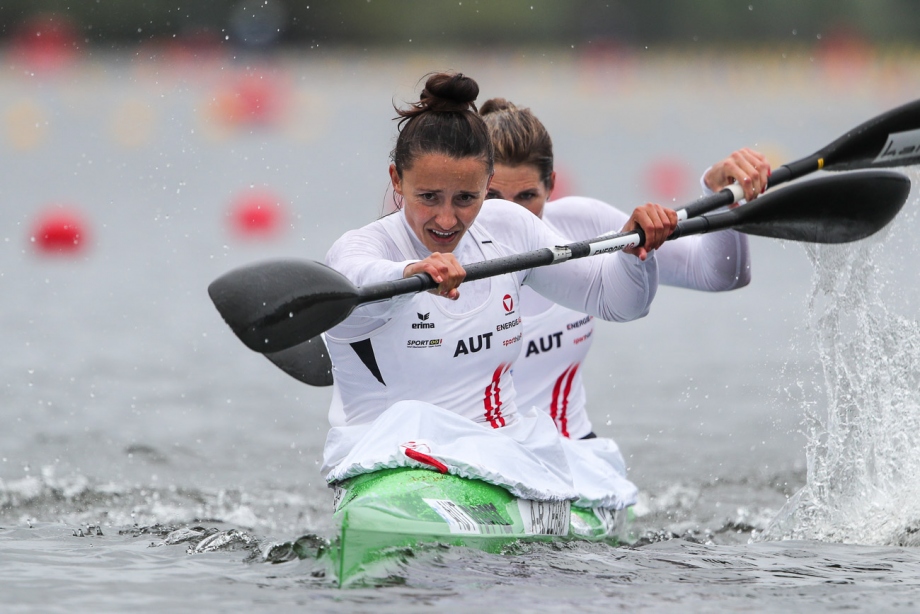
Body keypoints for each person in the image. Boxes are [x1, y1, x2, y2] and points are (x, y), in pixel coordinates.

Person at [320, 72, 678, 511]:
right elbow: (357, 278)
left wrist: (634, 250)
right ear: (397, 179)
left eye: (466, 198)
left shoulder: (509, 228)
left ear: (488, 183)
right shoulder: (362, 247)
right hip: (387, 465)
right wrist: (413, 270)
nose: (447, 220)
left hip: (502, 463)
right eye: (429, 197)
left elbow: (618, 303)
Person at [479, 98, 770, 440]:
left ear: (551, 185)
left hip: (573, 457)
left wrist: (723, 196)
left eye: (527, 196)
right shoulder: (439, 253)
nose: (512, 217)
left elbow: (722, 276)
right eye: (493, 198)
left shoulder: (580, 223)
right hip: (472, 464)